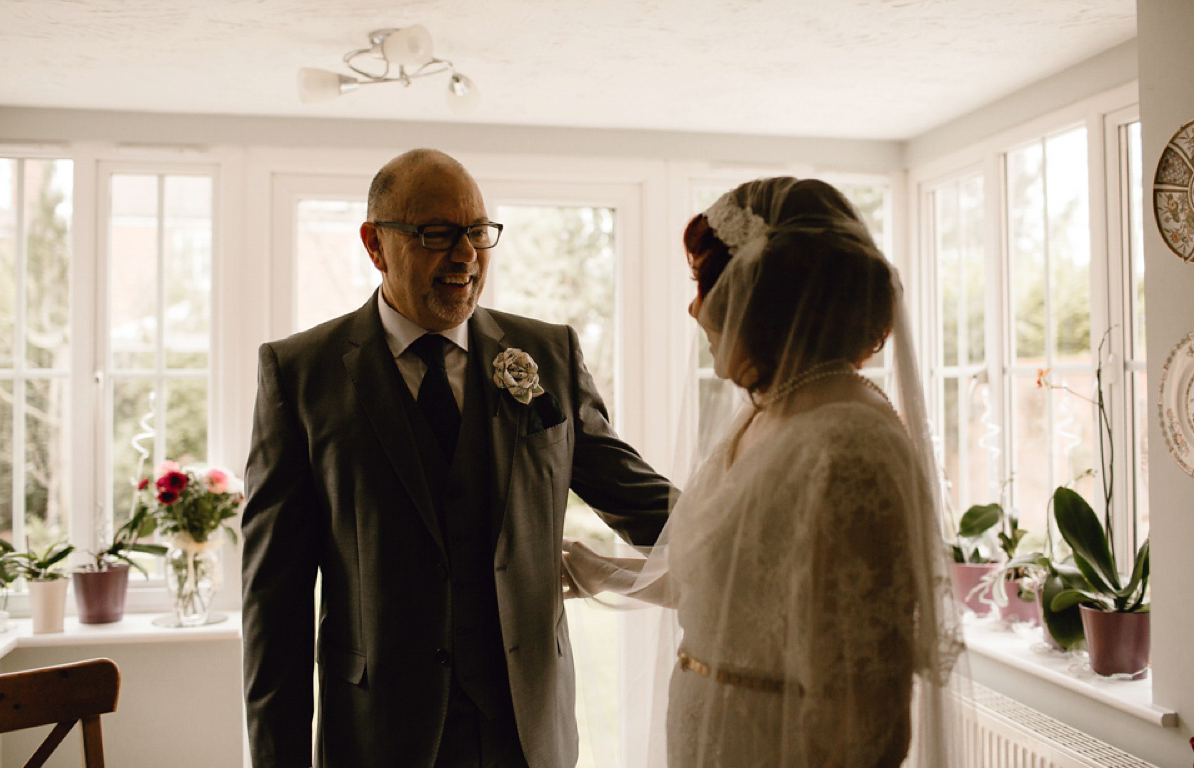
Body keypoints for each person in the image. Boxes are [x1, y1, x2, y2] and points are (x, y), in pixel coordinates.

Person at [241, 148, 674, 768]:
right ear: (374, 244)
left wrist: (753, 538)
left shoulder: (547, 355)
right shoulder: (300, 373)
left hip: (527, 734)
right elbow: (274, 604)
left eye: (477, 232)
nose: (466, 254)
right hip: (377, 737)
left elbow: (637, 497)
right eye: (436, 234)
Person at [564, 177, 965, 767]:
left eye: (706, 284)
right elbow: (730, 595)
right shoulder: (760, 414)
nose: (695, 307)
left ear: (768, 299)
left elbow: (869, 708)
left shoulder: (852, 443)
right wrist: (605, 573)